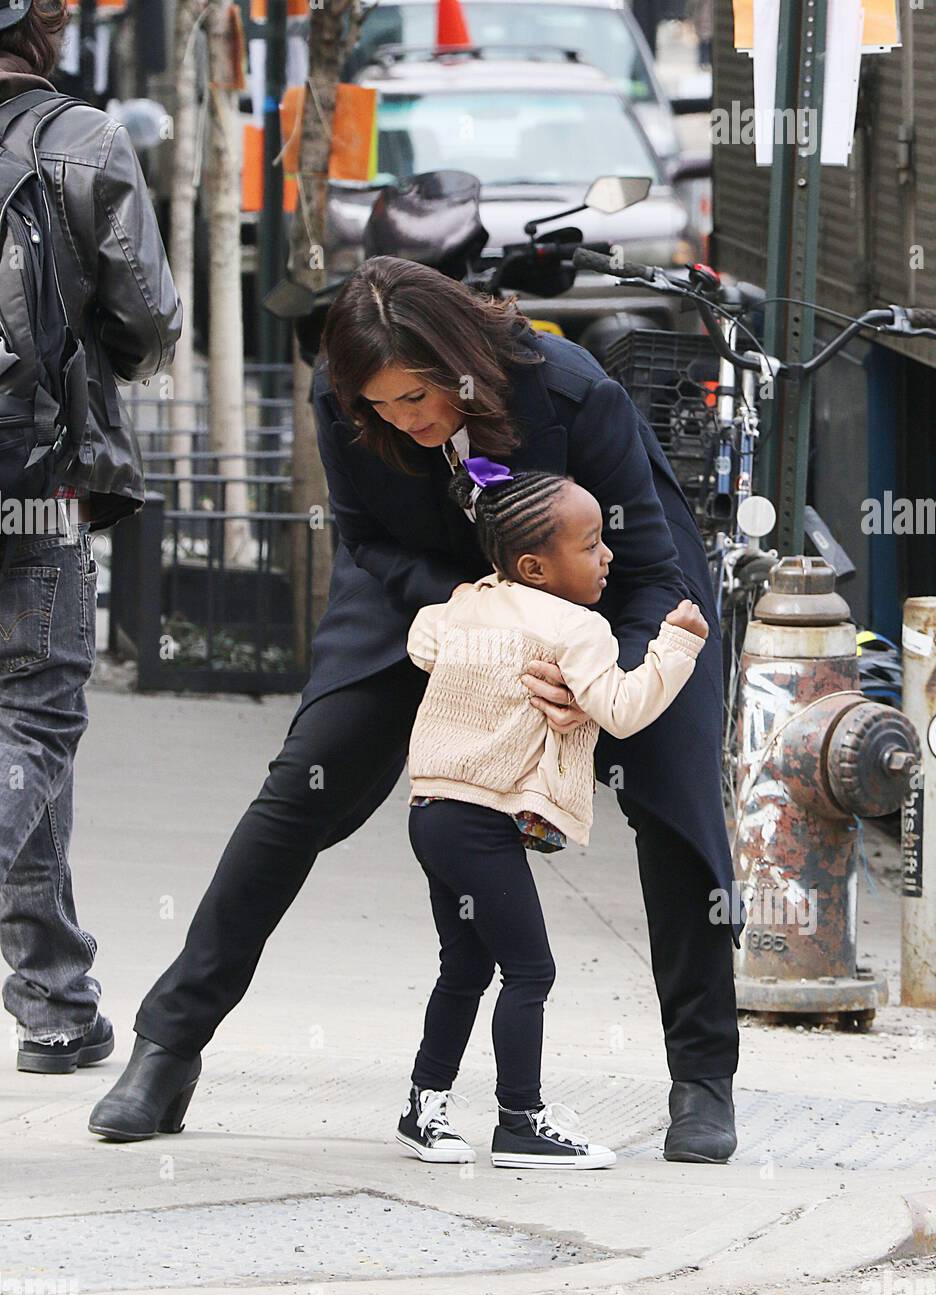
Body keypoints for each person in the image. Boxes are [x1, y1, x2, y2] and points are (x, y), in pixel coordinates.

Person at [90, 256, 742, 1164]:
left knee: (674, 802)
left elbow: (646, 557)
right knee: (302, 786)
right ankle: (168, 1044)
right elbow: (364, 538)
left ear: (460, 360)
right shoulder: (346, 396)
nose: (405, 418)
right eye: (384, 406)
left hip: (613, 600)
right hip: (424, 593)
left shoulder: (569, 390)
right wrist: (483, 619)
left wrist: (609, 678)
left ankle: (702, 1078)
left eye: (419, 397)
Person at [397, 459, 708, 1170]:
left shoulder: (467, 603)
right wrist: (678, 644)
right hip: (480, 821)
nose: (608, 556)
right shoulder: (579, 629)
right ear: (537, 567)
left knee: (465, 969)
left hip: (433, 813)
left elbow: (421, 639)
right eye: (591, 544)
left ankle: (425, 1109)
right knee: (531, 972)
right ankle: (520, 1121)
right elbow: (624, 711)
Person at [0, 0, 182, 1073]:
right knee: (33, 717)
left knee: (21, 740)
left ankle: (57, 1004)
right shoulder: (83, 139)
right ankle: (56, 1000)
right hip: (37, 479)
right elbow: (150, 319)